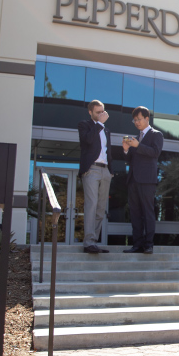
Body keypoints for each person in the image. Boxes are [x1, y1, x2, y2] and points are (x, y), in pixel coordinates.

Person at [122, 106, 163, 254]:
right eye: (135, 120)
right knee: (135, 213)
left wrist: (138, 145)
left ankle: (148, 245)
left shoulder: (156, 135)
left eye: (139, 119)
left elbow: (155, 152)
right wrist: (126, 149)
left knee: (148, 212)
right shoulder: (135, 137)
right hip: (133, 179)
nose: (137, 122)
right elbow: (130, 159)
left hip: (147, 180)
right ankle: (137, 244)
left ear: (147, 118)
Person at [77, 100, 112, 254]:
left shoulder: (106, 130)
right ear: (90, 112)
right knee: (91, 205)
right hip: (91, 169)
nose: (101, 114)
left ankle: (94, 242)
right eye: (98, 112)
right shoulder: (85, 125)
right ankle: (88, 242)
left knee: (100, 208)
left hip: (105, 171)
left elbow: (107, 151)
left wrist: (110, 170)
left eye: (103, 111)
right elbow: (87, 140)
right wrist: (99, 124)